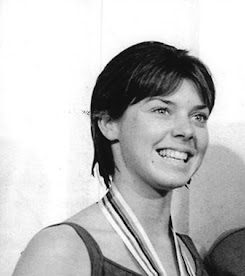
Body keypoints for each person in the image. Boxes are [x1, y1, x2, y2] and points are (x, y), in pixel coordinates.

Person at [13, 41, 215, 276]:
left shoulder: (194, 256)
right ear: (109, 124)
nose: (187, 130)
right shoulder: (62, 251)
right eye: (162, 110)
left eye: (198, 116)